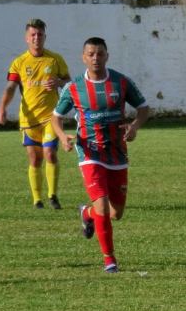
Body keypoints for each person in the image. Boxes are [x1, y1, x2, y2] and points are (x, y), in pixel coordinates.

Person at [50, 37, 149, 274]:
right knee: (103, 206)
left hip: (116, 151)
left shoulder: (120, 82)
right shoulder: (73, 88)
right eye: (91, 54)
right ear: (83, 57)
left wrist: (134, 126)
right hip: (89, 151)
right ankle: (110, 261)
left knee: (117, 212)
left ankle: (86, 212)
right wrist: (63, 137)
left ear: (107, 55)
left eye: (100, 54)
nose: (95, 58)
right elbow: (56, 117)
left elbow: (144, 108)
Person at [0, 18, 71, 210]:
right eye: (33, 34)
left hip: (51, 117)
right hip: (29, 119)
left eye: (40, 34)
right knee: (34, 158)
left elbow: (68, 82)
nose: (36, 37)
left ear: (45, 37)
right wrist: (2, 108)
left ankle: (53, 196)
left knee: (49, 154)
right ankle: (37, 200)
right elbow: (11, 87)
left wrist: (58, 83)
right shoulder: (19, 63)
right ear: (26, 38)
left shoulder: (55, 59)